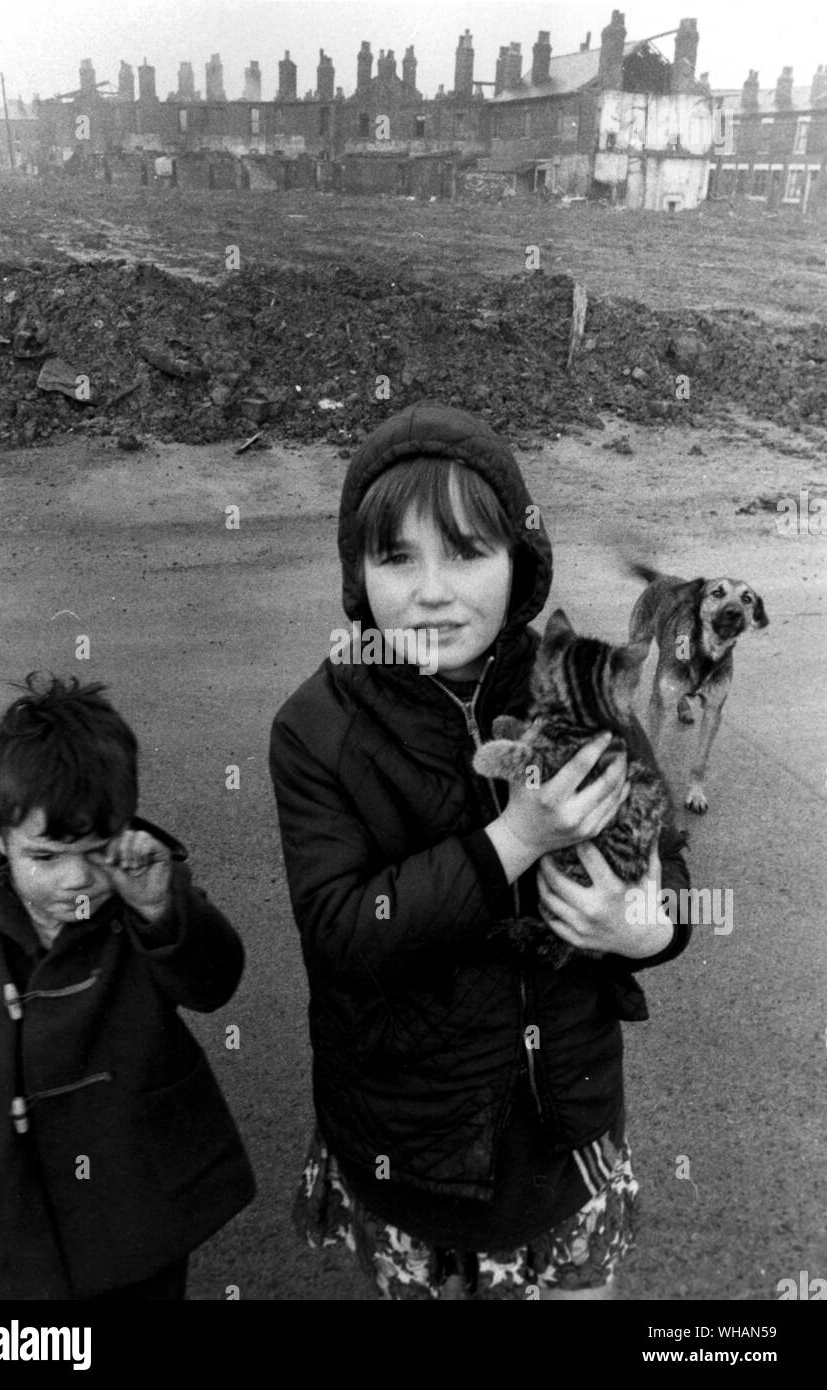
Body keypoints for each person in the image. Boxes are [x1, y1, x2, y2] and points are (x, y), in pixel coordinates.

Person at [269, 401, 691, 1301]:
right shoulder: (317, 728)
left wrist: (644, 929)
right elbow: (341, 935)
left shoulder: (579, 681)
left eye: (466, 553)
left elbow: (670, 865)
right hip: (406, 1142)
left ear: (518, 563)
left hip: (564, 1130)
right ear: (357, 575)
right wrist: (514, 839)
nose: (431, 591)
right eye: (396, 558)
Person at [0, 673, 255, 1300]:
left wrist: (164, 913)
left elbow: (213, 983)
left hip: (142, 1202)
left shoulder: (144, 895)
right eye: (45, 857)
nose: (77, 880)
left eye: (97, 847)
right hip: (19, 1217)